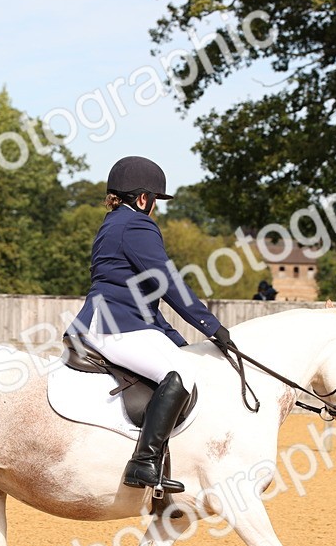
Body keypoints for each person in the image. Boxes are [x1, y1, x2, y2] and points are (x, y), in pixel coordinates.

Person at [67, 156, 233, 492]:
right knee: (180, 373)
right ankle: (144, 462)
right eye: (155, 199)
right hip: (115, 325)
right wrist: (212, 327)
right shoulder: (137, 225)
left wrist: (179, 341)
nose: (155, 207)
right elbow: (167, 283)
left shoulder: (113, 223)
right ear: (144, 198)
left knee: (180, 359)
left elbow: (144, 298)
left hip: (117, 319)